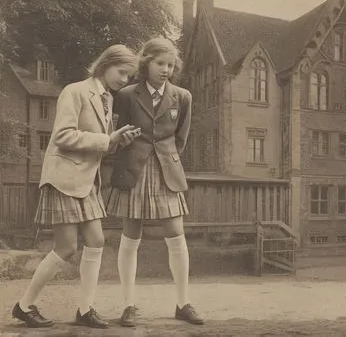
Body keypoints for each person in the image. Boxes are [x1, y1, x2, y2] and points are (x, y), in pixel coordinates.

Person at [12, 45, 139, 329]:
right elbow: (64, 137)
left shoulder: (106, 100)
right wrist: (107, 140)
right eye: (122, 73)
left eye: (129, 77)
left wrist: (116, 140)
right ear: (106, 65)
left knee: (96, 241)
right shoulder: (76, 91)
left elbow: (96, 145)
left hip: (85, 181)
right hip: (64, 178)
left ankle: (85, 309)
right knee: (67, 247)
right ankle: (24, 305)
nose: (124, 80)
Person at [106, 37, 203, 327]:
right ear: (146, 63)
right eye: (160, 63)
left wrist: (167, 159)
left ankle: (183, 303)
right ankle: (128, 305)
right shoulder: (125, 95)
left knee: (176, 235)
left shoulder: (182, 97)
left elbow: (180, 139)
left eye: (171, 65)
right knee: (130, 235)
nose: (166, 70)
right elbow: (116, 135)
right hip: (133, 169)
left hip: (165, 170)